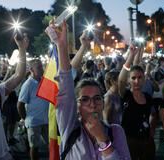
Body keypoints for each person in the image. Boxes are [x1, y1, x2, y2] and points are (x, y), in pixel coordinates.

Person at [46, 19, 131, 160]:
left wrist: (102, 139)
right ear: (77, 107)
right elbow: (66, 90)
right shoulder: (70, 130)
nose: (92, 104)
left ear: (103, 102)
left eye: (97, 98)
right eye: (85, 99)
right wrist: (61, 46)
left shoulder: (116, 132)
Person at [118, 43, 156, 160]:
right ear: (129, 80)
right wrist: (131, 56)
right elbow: (120, 80)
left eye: (140, 77)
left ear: (144, 79)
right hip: (129, 141)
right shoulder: (126, 95)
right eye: (133, 78)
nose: (136, 81)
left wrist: (152, 131)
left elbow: (153, 115)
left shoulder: (148, 97)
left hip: (145, 141)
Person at [17, 59, 49, 160]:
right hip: (34, 121)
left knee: (52, 144)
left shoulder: (43, 81)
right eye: (39, 67)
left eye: (41, 66)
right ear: (31, 70)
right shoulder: (27, 84)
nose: (42, 69)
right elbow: (20, 104)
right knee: (34, 147)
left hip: (46, 120)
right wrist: (25, 118)